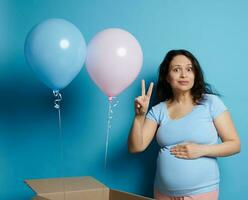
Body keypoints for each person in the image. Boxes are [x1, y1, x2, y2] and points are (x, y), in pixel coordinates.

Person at [128, 49, 240, 200]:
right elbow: (136, 147)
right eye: (176, 70)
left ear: (195, 74)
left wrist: (201, 150)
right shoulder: (158, 110)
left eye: (189, 69)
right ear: (167, 76)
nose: (184, 74)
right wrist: (139, 116)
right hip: (163, 193)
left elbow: (234, 144)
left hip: (202, 192)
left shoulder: (211, 103)